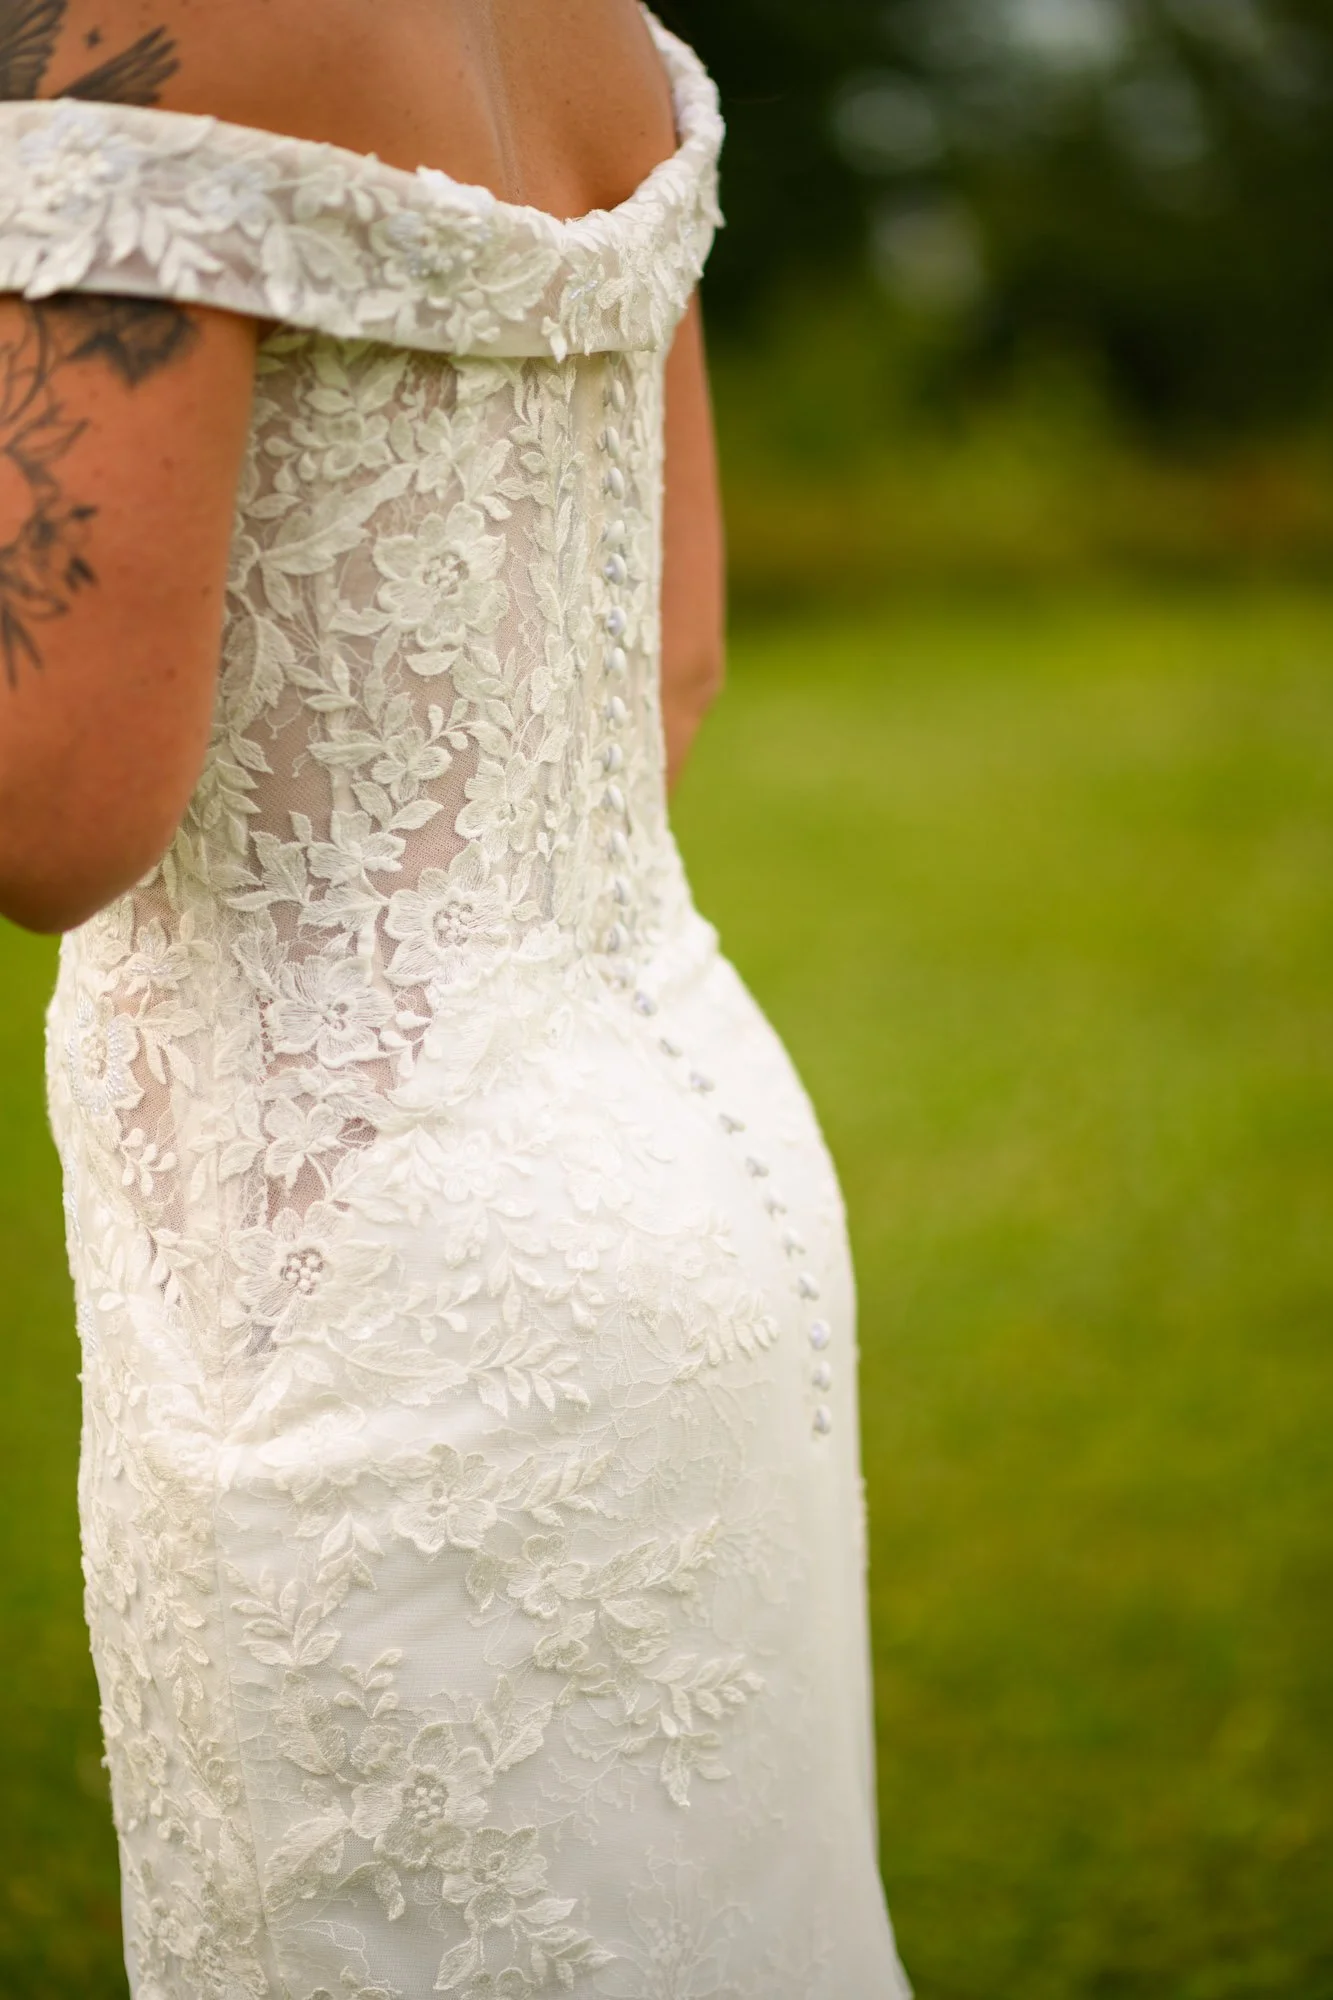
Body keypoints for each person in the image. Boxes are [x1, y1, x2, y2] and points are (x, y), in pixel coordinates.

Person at [0, 1, 912, 1990]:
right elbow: (665, 667)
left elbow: (55, 803)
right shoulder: (599, 30)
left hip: (358, 1293)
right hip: (690, 1153)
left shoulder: (122, 37)